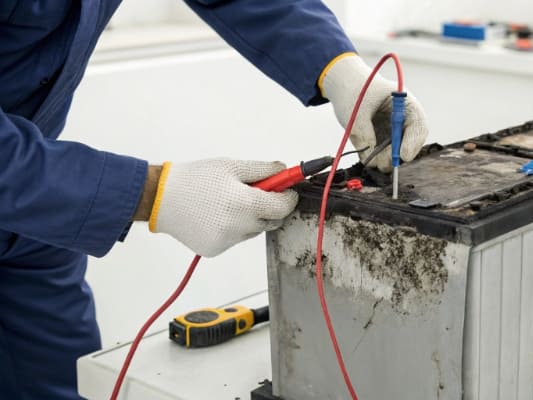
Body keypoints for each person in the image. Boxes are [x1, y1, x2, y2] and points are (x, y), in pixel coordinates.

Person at [0, 1, 428, 398]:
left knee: (62, 381)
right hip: (34, 180)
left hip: (39, 212)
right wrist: (153, 194)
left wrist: (339, 70)